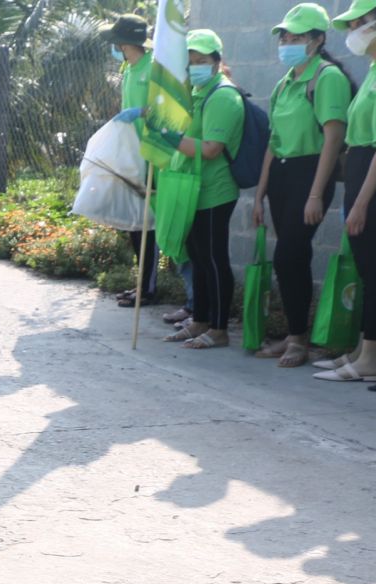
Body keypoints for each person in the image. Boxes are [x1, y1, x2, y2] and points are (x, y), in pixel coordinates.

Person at [250, 5, 353, 368]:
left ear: (318, 40)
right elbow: (273, 142)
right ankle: (294, 336)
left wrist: (315, 193)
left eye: (297, 37)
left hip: (310, 174)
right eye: (285, 37)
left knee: (288, 255)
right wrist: (259, 195)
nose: (288, 44)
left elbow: (333, 139)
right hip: (281, 175)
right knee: (292, 258)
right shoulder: (284, 82)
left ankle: (298, 339)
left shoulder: (327, 77)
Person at [160, 30, 245, 350]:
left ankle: (219, 329)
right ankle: (200, 320)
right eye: (191, 61)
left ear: (217, 61)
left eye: (202, 60)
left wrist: (169, 137)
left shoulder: (222, 96)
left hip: (215, 190)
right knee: (198, 256)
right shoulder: (198, 92)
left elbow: (210, 149)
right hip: (194, 190)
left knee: (213, 259)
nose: (195, 66)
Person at [317, 0, 376, 385]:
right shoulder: (375, 68)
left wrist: (360, 203)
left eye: (361, 22)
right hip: (360, 171)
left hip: (374, 180)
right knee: (367, 267)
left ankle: (372, 358)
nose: (354, 30)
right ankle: (362, 350)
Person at [104, 14, 160, 310]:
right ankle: (140, 284)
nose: (115, 48)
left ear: (125, 43)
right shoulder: (128, 69)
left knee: (147, 226)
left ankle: (148, 289)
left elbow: (166, 107)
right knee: (135, 226)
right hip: (131, 155)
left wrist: (141, 112)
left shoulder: (152, 68)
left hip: (150, 156)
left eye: (116, 42)